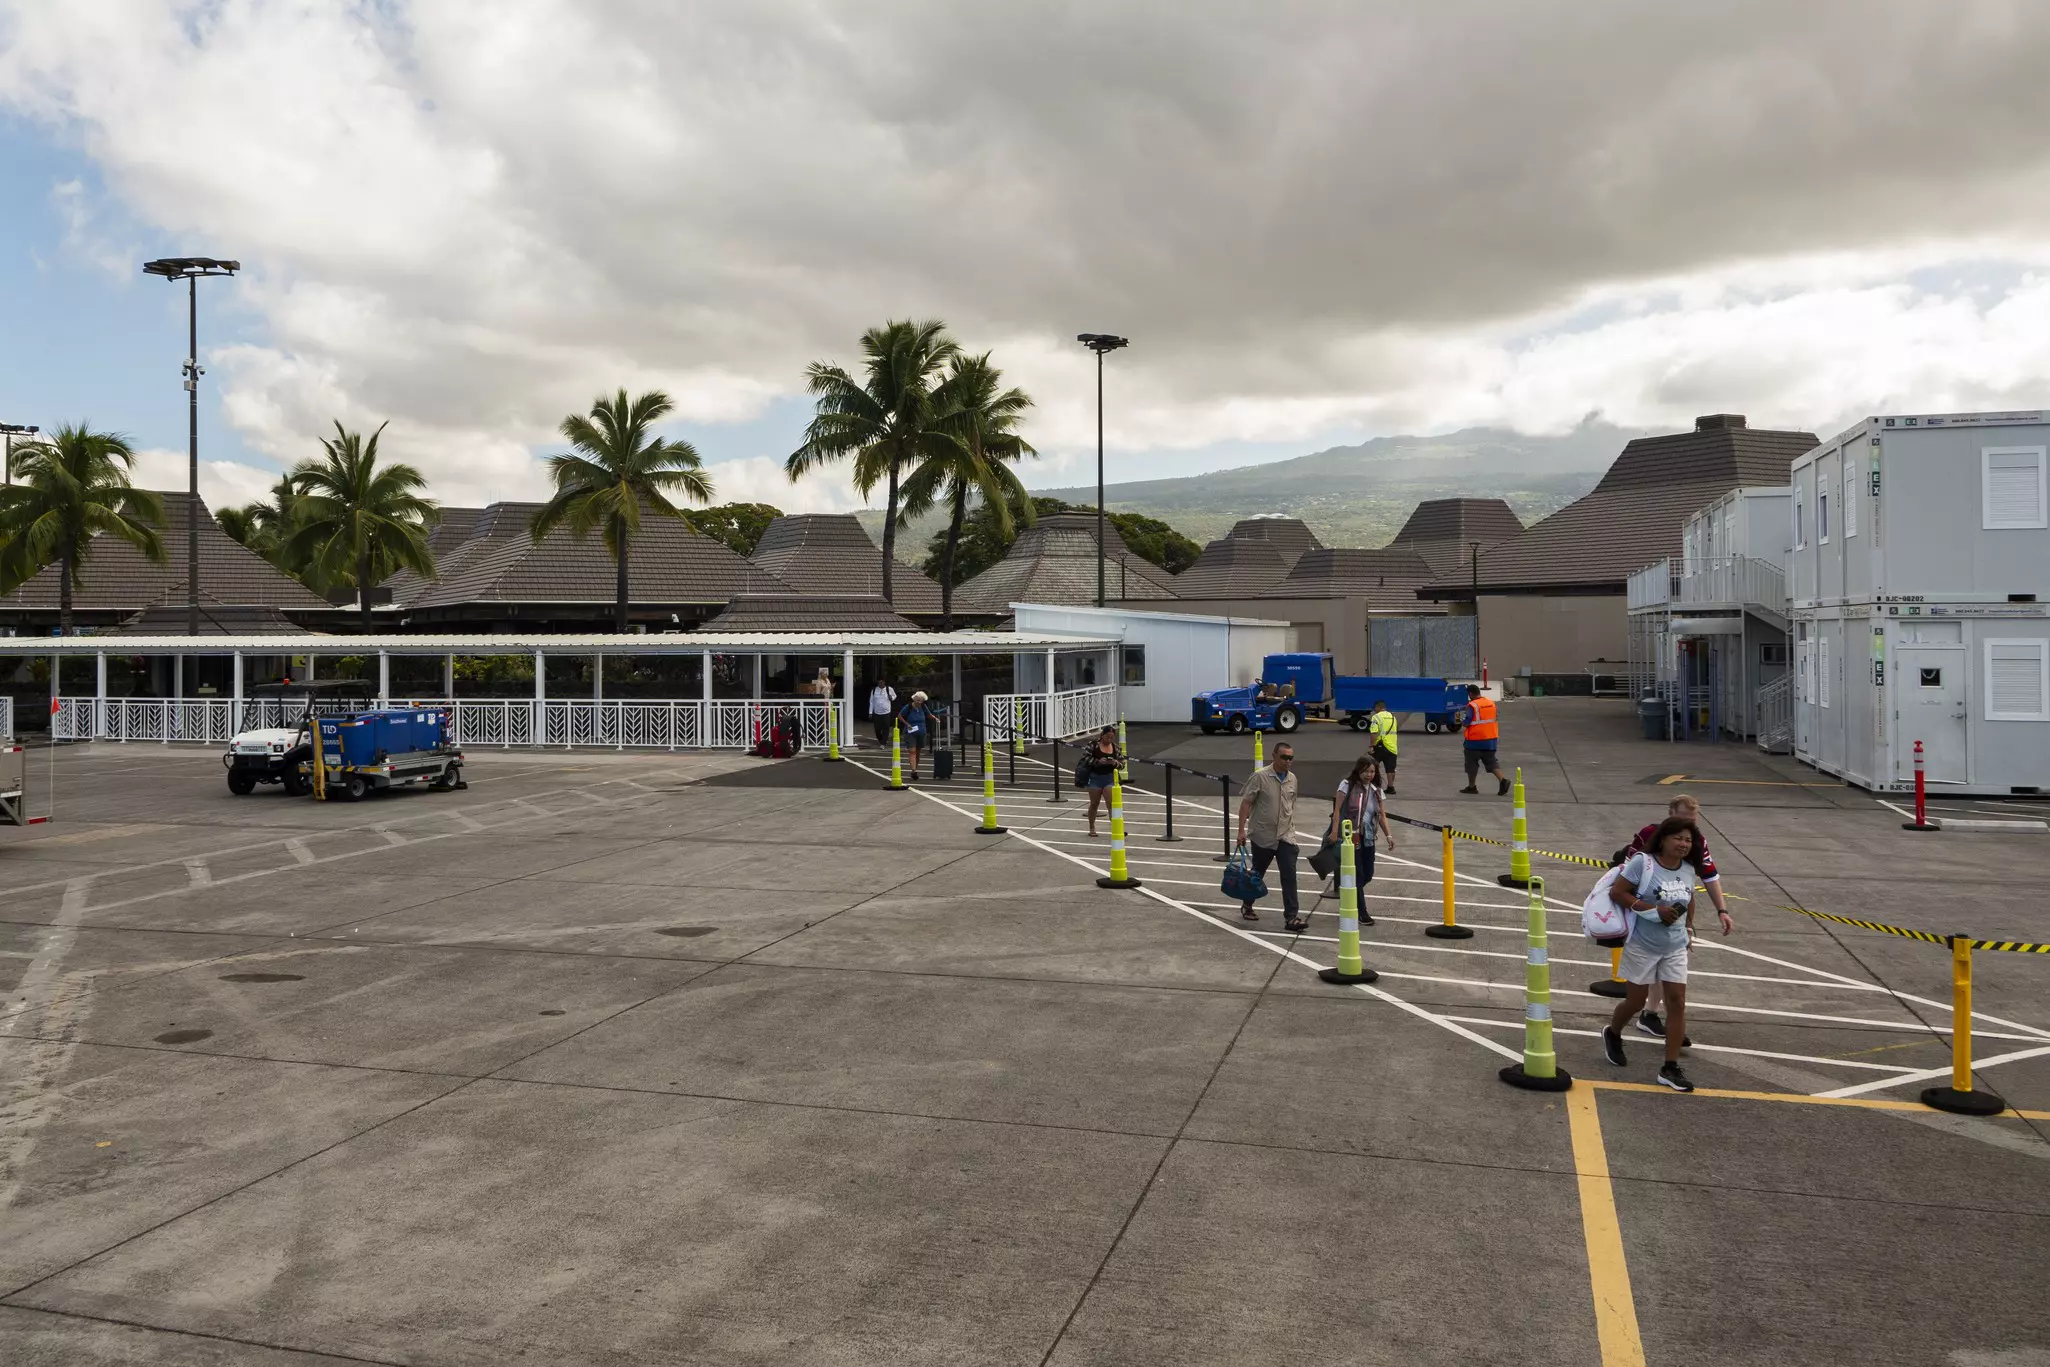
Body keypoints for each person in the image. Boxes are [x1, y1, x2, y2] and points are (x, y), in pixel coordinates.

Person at [1600, 816, 1715, 1093]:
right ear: (1663, 838)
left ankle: (1670, 1067)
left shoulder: (1688, 869)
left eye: (1688, 840)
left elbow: (1690, 898)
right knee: (1635, 1002)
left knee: (1677, 1002)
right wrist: (1652, 911)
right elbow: (1618, 893)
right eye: (1678, 838)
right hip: (1642, 945)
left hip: (1674, 947)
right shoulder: (1644, 862)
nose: (1684, 844)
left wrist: (1687, 927)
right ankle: (1613, 1032)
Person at [1617, 794, 1733, 1043]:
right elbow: (1625, 878)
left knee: (1674, 987)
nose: (1687, 830)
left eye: (1692, 820)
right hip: (1643, 917)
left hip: (1674, 922)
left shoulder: (1697, 841)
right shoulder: (1650, 835)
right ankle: (1620, 1026)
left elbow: (1709, 876)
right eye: (1683, 819)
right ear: (1670, 813)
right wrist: (1642, 906)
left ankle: (1661, 1022)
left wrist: (1721, 910)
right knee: (1636, 995)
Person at [1235, 740, 1301, 930]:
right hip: (1263, 835)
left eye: (1291, 758)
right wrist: (1241, 830)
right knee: (1257, 874)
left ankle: (1291, 917)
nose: (1288, 761)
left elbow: (1291, 804)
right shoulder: (1260, 777)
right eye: (1284, 757)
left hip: (1286, 836)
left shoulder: (1293, 779)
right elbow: (1246, 804)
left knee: (1289, 875)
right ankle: (1247, 904)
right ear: (1274, 756)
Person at [1326, 753, 1395, 926]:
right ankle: (1362, 913)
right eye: (1365, 771)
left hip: (1368, 837)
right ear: (1358, 771)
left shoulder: (1377, 791)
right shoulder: (1347, 785)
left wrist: (1388, 835)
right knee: (1357, 875)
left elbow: (1381, 815)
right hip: (1350, 836)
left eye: (1372, 771)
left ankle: (1350, 894)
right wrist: (1335, 832)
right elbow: (1337, 811)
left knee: (1368, 874)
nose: (1369, 775)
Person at [1459, 684, 1508, 796]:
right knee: (1491, 762)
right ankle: (1503, 780)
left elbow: (1466, 722)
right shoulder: (1491, 703)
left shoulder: (1472, 705)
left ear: (1470, 694)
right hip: (1490, 740)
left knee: (1471, 764)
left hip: (1474, 741)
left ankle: (1472, 787)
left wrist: (1461, 719)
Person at [1079, 726, 1123, 837]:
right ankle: (1092, 827)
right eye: (1107, 737)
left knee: (1111, 804)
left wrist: (1114, 763)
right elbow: (1085, 758)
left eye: (1112, 738)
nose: (1109, 740)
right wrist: (1098, 761)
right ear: (1102, 735)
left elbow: (1122, 764)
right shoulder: (1093, 745)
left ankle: (1116, 827)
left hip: (1109, 778)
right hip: (1095, 778)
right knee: (1094, 804)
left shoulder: (1116, 748)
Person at [896, 691, 942, 780]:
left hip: (921, 730)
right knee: (912, 750)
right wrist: (907, 724)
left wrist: (935, 718)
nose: (919, 702)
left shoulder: (923, 707)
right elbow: (900, 716)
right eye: (917, 700)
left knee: (918, 752)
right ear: (914, 699)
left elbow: (928, 715)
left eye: (921, 701)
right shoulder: (908, 707)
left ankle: (915, 769)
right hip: (910, 731)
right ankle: (913, 770)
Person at [1367, 698, 1399, 796]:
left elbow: (1374, 732)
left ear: (1378, 707)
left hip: (1380, 746)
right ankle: (1390, 787)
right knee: (1390, 768)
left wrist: (1372, 746)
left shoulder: (1376, 717)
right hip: (1392, 747)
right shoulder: (1393, 717)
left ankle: (1373, 785)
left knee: (1372, 766)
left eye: (1375, 708)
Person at [868, 678, 897, 749]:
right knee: (877, 729)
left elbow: (894, 696)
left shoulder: (889, 689)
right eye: (879, 683)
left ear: (884, 682)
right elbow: (871, 701)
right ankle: (881, 740)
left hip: (886, 712)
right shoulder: (874, 690)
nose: (880, 684)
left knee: (886, 728)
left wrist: (891, 698)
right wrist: (870, 712)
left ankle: (883, 743)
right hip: (877, 712)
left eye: (881, 682)